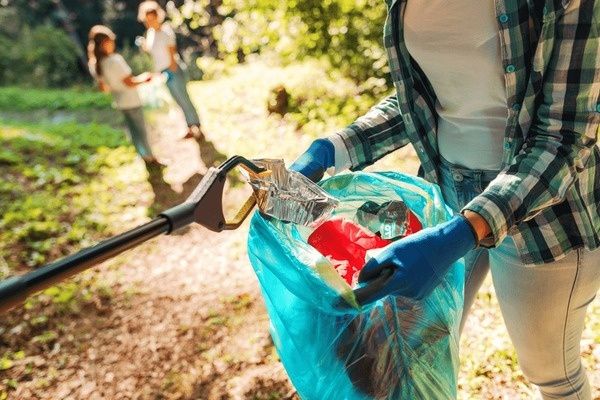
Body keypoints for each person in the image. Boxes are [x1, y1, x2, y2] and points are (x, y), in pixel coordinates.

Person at [290, 0, 599, 398]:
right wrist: (334, 148)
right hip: (445, 193)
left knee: (551, 373)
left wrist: (459, 234)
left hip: (545, 213)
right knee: (404, 352)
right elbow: (422, 98)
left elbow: (564, 136)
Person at [87, 25, 161, 166]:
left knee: (134, 131)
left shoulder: (95, 64)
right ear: (105, 43)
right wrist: (145, 78)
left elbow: (104, 88)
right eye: (111, 41)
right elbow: (129, 82)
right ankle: (151, 158)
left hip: (119, 102)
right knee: (142, 130)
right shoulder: (115, 60)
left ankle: (143, 155)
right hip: (131, 100)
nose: (113, 44)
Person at [137, 1, 204, 140]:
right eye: (147, 20)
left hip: (172, 70)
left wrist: (172, 68)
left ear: (158, 16)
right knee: (178, 101)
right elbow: (152, 52)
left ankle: (197, 127)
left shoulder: (165, 31)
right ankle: (190, 126)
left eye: (152, 18)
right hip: (163, 72)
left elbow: (171, 52)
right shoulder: (150, 34)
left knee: (184, 99)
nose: (150, 22)